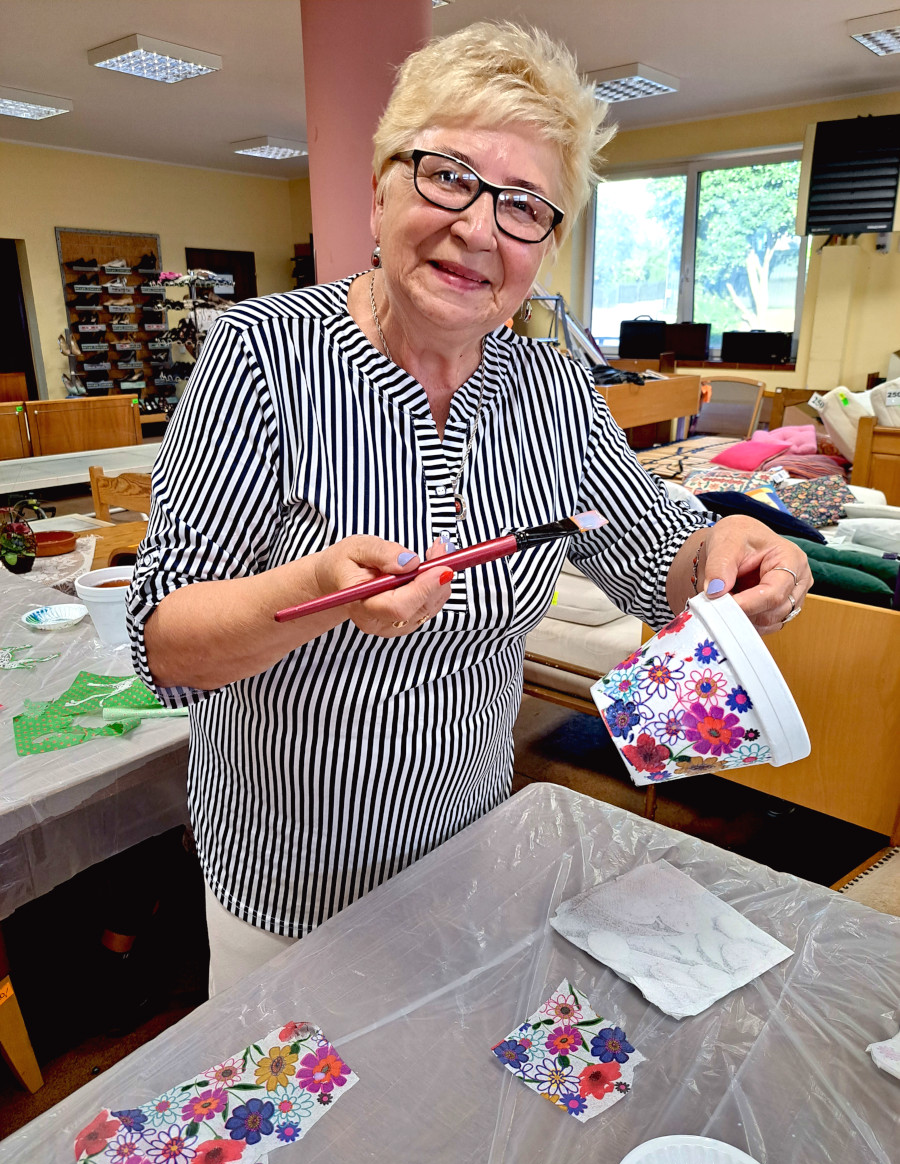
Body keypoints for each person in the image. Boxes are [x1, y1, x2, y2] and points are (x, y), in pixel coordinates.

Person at [127, 21, 811, 992]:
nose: (482, 226)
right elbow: (167, 645)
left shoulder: (556, 390)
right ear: (380, 185)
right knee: (307, 1145)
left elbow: (659, 556)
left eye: (525, 204)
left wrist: (727, 554)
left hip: (476, 861)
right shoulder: (263, 356)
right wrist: (316, 591)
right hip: (287, 894)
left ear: (548, 243)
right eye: (448, 175)